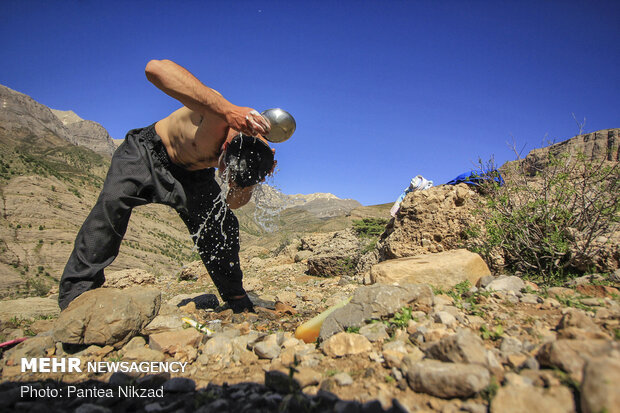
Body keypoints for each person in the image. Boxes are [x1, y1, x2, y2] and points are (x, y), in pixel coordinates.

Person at [58, 59, 275, 313]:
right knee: (111, 204)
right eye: (224, 164)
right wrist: (226, 109)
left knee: (223, 224)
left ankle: (236, 298)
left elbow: (231, 203)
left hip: (192, 177)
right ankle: (77, 295)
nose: (224, 172)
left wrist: (250, 183)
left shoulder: (250, 158)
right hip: (147, 152)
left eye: (229, 173)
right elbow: (155, 68)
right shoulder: (218, 111)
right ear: (227, 146)